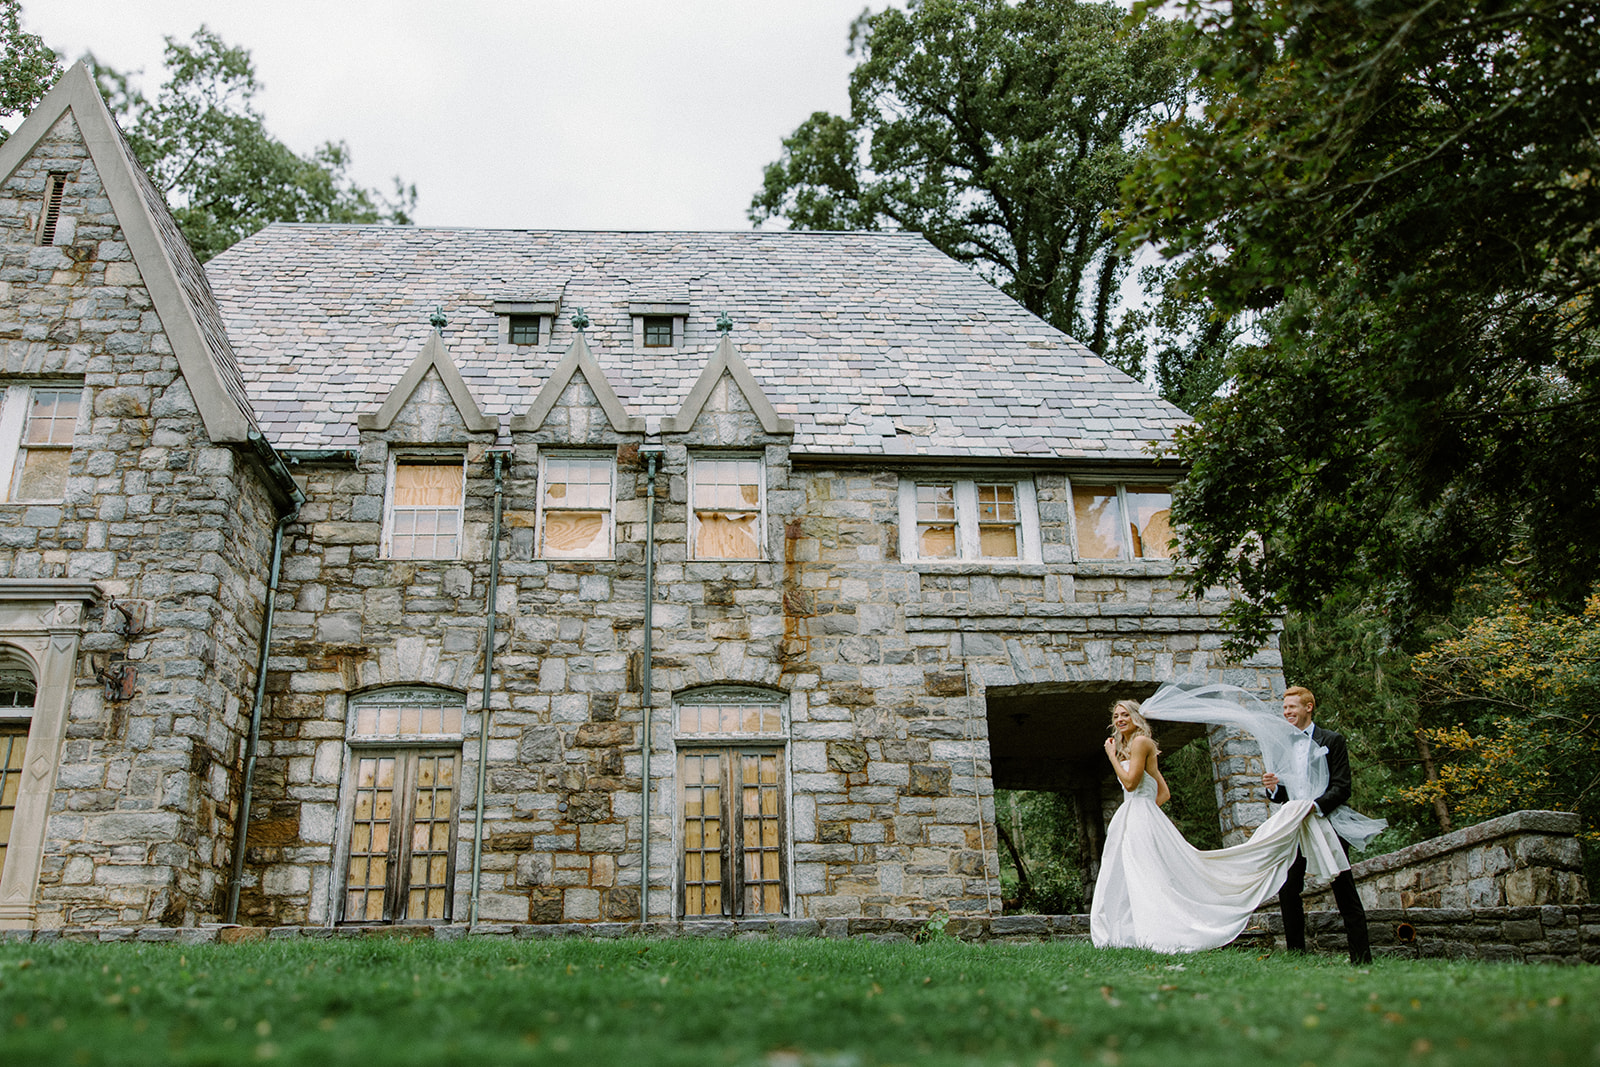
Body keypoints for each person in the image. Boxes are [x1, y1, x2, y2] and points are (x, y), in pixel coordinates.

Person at [1090, 698, 1328, 953]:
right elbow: (1163, 794)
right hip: (1135, 815)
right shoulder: (1136, 745)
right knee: (1131, 873)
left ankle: (1155, 931)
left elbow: (1130, 784)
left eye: (1124, 714)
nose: (1119, 720)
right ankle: (1130, 932)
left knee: (1145, 873)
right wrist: (1146, 811)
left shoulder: (1139, 742)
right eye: (1116, 716)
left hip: (1136, 813)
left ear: (1136, 717)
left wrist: (1112, 757)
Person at [1262, 686, 1373, 964]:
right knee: (1288, 890)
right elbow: (1285, 794)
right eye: (1285, 708)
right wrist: (1275, 789)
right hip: (1297, 826)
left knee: (1343, 888)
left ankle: (1362, 958)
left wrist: (1315, 805)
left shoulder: (1332, 740)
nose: (1287, 712)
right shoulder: (1284, 746)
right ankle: (1296, 955)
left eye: (1292, 707)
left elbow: (1342, 787)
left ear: (1308, 707)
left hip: (1327, 822)